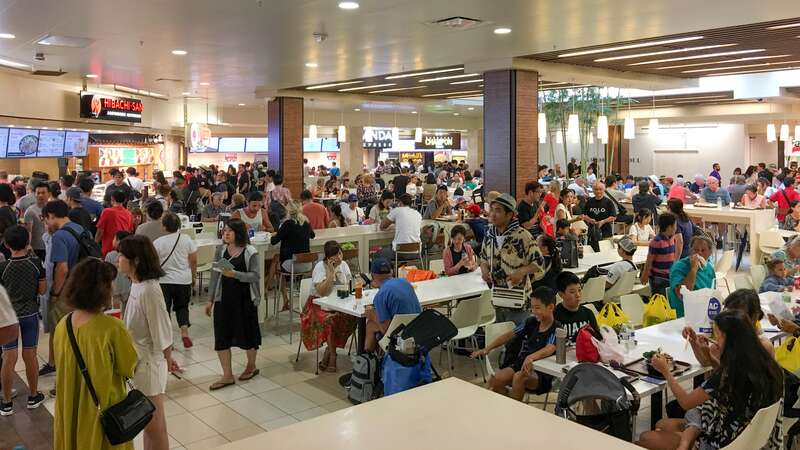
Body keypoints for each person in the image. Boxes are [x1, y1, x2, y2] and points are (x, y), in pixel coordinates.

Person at [637, 309, 783, 450]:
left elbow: (686, 402)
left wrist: (665, 371)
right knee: (662, 424)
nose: (716, 341)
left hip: (726, 441)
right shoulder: (764, 363)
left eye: (718, 336)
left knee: (645, 438)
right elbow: (726, 378)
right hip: (750, 435)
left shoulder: (729, 374)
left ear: (730, 340)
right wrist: (700, 347)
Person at [52, 258, 139, 450]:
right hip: (103, 409)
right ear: (102, 289)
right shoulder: (112, 328)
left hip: (70, 405)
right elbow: (129, 367)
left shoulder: (63, 325)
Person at [115, 235, 178, 450]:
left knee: (155, 425)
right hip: (139, 362)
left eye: (122, 255)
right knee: (148, 425)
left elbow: (162, 331)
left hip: (150, 364)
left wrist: (168, 358)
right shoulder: (137, 285)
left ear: (137, 260)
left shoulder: (150, 290)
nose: (118, 258)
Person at [469, 286, 558, 402]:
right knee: (495, 380)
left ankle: (515, 412)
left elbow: (550, 348)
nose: (534, 312)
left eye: (537, 308)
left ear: (550, 307)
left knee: (518, 377)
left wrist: (531, 357)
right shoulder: (530, 322)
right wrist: (487, 348)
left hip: (542, 373)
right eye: (532, 308)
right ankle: (511, 403)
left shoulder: (556, 328)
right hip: (520, 364)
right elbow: (509, 335)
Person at [205, 219, 262, 389]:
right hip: (224, 299)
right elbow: (215, 275)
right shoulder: (221, 250)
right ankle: (227, 375)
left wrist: (236, 274)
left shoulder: (250, 251)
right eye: (224, 231)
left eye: (230, 231)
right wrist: (210, 300)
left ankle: (251, 366)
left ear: (239, 232)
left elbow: (255, 276)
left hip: (244, 299)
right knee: (222, 336)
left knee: (247, 334)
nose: (226, 234)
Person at [39, 200, 89, 377]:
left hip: (66, 292)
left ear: (52, 216)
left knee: (60, 330)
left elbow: (62, 268)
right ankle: (58, 363)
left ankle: (63, 371)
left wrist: (55, 293)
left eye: (46, 220)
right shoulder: (80, 229)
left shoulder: (60, 236)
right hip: (81, 287)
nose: (47, 225)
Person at [0, 226, 46, 415]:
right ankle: (33, 396)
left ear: (6, 244)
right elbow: (42, 290)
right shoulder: (35, 263)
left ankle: (6, 402)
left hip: (8, 316)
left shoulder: (3, 267)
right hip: (30, 314)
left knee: (9, 357)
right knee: (30, 355)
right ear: (27, 242)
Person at [479, 193, 544, 325]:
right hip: (497, 298)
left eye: (498, 210)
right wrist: (484, 271)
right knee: (499, 338)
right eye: (492, 209)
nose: (492, 214)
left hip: (518, 299)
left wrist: (521, 272)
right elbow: (483, 259)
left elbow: (539, 262)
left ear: (509, 215)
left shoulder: (522, 236)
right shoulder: (489, 235)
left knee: (517, 340)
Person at [301, 241, 356, 372]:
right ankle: (333, 355)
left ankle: (329, 349)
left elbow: (350, 286)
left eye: (340, 253)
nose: (339, 257)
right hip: (317, 304)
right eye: (335, 255)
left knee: (351, 317)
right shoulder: (320, 267)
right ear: (328, 257)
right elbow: (322, 292)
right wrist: (331, 273)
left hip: (339, 302)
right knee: (329, 320)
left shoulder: (344, 266)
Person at [153, 212, 198, 348]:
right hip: (183, 280)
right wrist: (193, 276)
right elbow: (194, 260)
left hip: (164, 281)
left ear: (164, 227)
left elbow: (154, 262)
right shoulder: (187, 239)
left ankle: (169, 340)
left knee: (165, 310)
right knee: (182, 307)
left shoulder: (158, 242)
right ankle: (184, 333)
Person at [363, 258, 422, 353]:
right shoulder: (405, 283)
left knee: (370, 324)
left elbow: (386, 330)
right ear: (391, 272)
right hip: (417, 332)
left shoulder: (381, 294)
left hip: (398, 339)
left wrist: (372, 315)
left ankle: (367, 360)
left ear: (372, 275)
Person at [270, 201, 315, 310]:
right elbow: (312, 235)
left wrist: (277, 233)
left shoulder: (287, 224)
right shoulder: (306, 223)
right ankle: (300, 296)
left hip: (292, 265)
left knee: (277, 268)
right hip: (307, 264)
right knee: (278, 262)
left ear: (287, 212)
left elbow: (273, 241)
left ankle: (285, 298)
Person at [668, 234, 716, 318]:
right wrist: (693, 269)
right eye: (696, 250)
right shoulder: (678, 267)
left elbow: (711, 293)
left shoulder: (709, 268)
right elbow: (681, 294)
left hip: (703, 313)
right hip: (683, 316)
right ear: (690, 251)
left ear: (709, 253)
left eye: (703, 250)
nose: (699, 253)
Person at [641, 212, 678, 297]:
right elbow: (649, 260)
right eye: (675, 225)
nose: (676, 228)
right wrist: (645, 274)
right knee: (659, 300)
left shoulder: (672, 239)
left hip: (669, 276)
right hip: (658, 278)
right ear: (669, 227)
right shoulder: (656, 241)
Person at [554, 272, 598, 341]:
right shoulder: (554, 315)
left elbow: (597, 339)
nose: (578, 295)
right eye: (572, 292)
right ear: (561, 294)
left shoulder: (588, 313)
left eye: (579, 290)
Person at [378, 194, 422, 262]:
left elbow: (382, 226)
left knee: (378, 254)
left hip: (400, 252)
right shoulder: (418, 214)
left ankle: (389, 271)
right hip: (416, 251)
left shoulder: (397, 210)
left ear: (400, 203)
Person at [95, 190, 134, 257]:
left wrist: (95, 245)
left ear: (112, 199)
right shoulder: (129, 214)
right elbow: (130, 231)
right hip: (123, 250)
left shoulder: (107, 212)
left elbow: (100, 231)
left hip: (108, 249)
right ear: (124, 200)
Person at [581, 182, 617, 251]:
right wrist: (590, 219)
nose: (598, 191)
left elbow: (613, 216)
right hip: (592, 233)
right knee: (593, 252)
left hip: (606, 233)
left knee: (607, 253)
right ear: (593, 190)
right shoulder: (589, 201)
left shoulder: (608, 202)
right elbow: (583, 215)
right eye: (596, 189)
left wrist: (603, 221)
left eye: (600, 189)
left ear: (604, 190)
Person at [23, 182, 49, 261]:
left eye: (43, 193)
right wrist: (28, 245)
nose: (40, 195)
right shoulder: (30, 211)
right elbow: (28, 231)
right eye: (38, 193)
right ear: (35, 194)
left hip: (50, 245)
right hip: (37, 248)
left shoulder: (53, 208)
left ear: (49, 194)